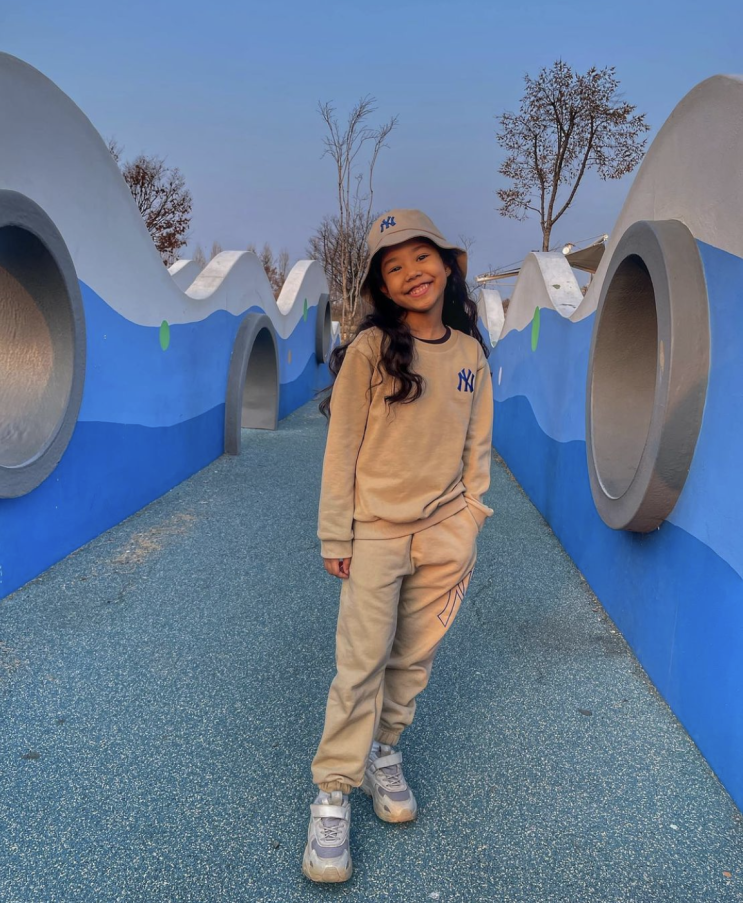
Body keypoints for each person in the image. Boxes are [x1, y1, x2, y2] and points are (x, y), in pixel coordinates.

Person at [302, 209, 494, 883]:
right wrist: (336, 532)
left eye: (421, 257)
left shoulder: (469, 356)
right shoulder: (370, 352)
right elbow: (342, 449)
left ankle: (383, 750)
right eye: (393, 265)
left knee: (412, 659)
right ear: (382, 286)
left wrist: (470, 517)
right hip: (376, 534)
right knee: (360, 664)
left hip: (444, 535)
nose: (411, 272)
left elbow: (477, 448)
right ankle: (333, 789)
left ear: (446, 265)